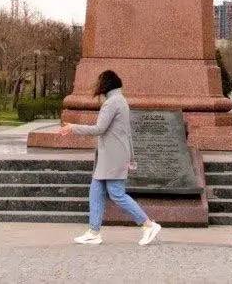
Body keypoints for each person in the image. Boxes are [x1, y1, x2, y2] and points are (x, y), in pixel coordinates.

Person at [57, 69, 162, 246]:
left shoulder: (112, 103)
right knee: (96, 190)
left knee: (116, 193)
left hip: (113, 156)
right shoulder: (119, 100)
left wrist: (72, 128)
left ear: (105, 84)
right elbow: (126, 133)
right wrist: (131, 156)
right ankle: (93, 231)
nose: (96, 85)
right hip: (113, 155)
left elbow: (99, 129)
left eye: (99, 82)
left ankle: (148, 224)